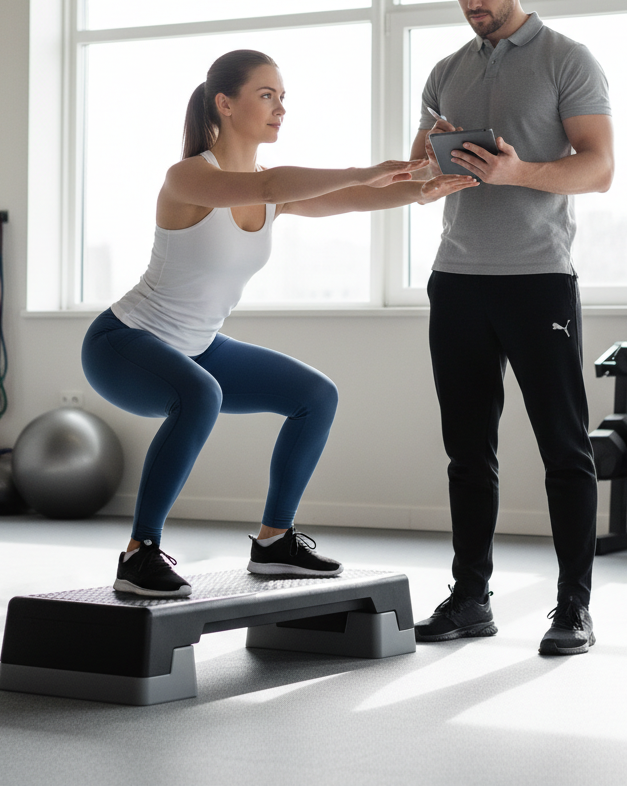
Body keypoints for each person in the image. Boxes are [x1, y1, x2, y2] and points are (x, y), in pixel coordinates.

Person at [82, 49, 476, 598]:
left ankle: (273, 541)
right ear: (225, 103)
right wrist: (368, 168)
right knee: (201, 394)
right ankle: (139, 552)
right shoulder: (189, 178)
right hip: (122, 344)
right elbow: (272, 189)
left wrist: (419, 188)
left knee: (315, 394)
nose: (280, 108)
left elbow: (347, 200)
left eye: (283, 97)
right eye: (267, 95)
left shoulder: (271, 189)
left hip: (197, 348)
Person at [409, 0, 614, 655]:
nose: (473, 2)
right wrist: (429, 175)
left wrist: (515, 171)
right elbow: (420, 178)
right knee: (468, 451)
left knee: (565, 449)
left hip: (538, 281)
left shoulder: (568, 61)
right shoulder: (444, 70)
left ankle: (573, 609)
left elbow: (597, 168)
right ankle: (471, 599)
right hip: (457, 281)